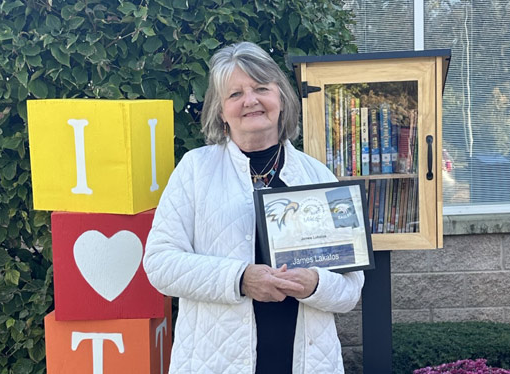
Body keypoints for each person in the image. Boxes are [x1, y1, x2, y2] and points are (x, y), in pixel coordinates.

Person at [143, 41, 364, 374]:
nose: (250, 101)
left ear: (281, 98)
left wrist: (315, 284)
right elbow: (160, 264)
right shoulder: (195, 170)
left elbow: (350, 289)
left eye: (261, 88)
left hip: (304, 363)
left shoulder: (317, 176)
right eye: (234, 95)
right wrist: (240, 279)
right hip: (214, 362)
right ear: (220, 111)